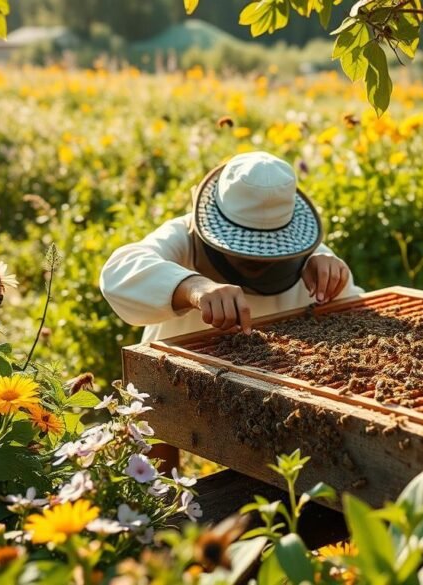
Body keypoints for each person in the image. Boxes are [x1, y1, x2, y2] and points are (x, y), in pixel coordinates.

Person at [100, 151, 364, 469]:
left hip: (274, 399)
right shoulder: (182, 236)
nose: (253, 262)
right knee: (154, 465)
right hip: (171, 390)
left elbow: (360, 327)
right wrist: (194, 288)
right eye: (244, 249)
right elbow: (118, 271)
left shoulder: (311, 254)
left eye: (265, 250)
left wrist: (334, 276)